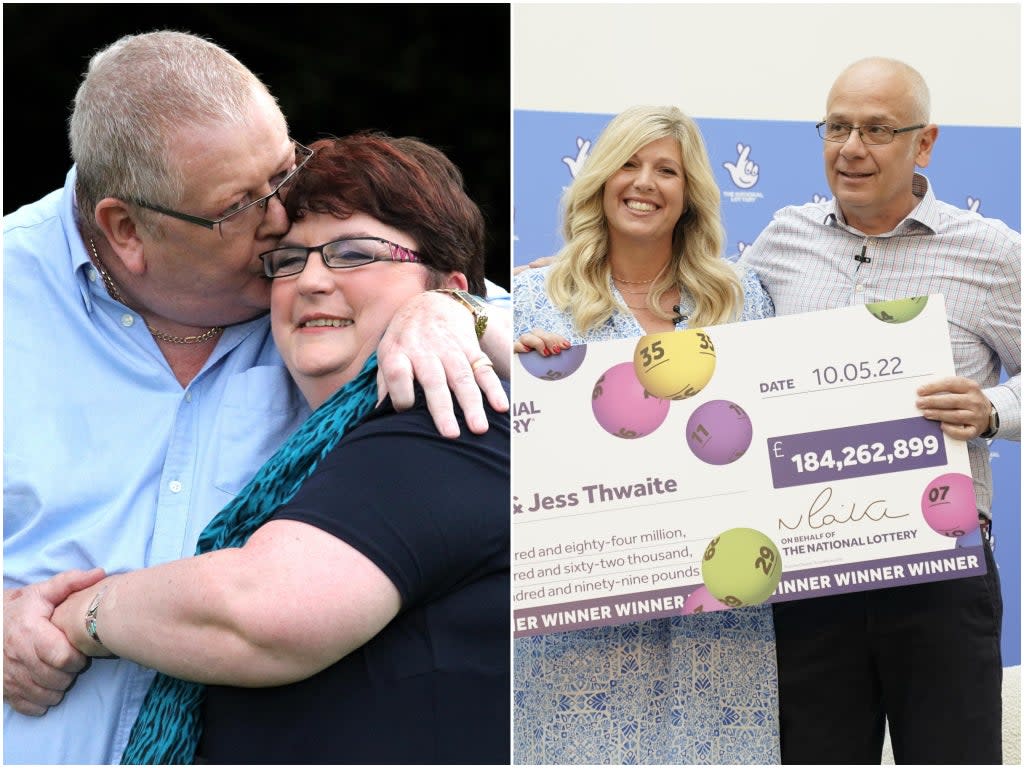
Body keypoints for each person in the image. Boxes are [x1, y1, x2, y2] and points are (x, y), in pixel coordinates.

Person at [2, 31, 510, 765]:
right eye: (239, 205)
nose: (280, 219)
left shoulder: (381, 351)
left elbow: (565, 356)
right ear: (126, 229)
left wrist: (463, 313)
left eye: (284, 169)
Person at [738, 57, 1020, 765]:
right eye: (836, 127)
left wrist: (992, 409)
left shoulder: (991, 253)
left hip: (938, 573)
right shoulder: (781, 240)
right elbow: (695, 331)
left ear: (924, 144)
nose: (851, 148)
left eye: (876, 129)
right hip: (808, 574)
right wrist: (553, 295)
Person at [512, 105, 779, 764]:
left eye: (667, 170)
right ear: (600, 178)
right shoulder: (530, 300)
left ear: (689, 196)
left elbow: (776, 429)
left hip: (720, 628)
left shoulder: (743, 299)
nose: (645, 182)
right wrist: (519, 387)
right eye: (629, 163)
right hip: (581, 636)